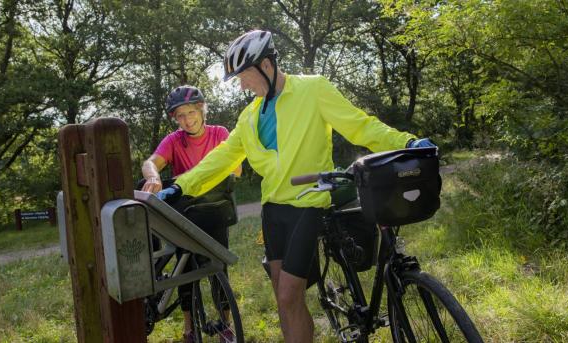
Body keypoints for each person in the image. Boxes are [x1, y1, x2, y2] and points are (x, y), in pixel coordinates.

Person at [157, 30, 435, 342]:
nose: (243, 85)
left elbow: (360, 125)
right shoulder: (248, 117)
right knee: (284, 298)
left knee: (289, 295)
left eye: (245, 76)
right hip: (273, 211)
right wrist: (180, 186)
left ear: (265, 64)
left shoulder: (312, 89)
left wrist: (407, 142)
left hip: (309, 203)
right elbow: (220, 158)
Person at [141, 85, 241, 343]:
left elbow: (236, 169)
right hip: (183, 214)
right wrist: (153, 175)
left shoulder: (219, 133)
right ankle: (189, 328)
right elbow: (151, 161)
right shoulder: (174, 140)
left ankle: (226, 325)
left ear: (202, 109)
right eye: (180, 115)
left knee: (217, 266)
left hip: (214, 209)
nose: (187, 119)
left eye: (191, 112)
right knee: (184, 268)